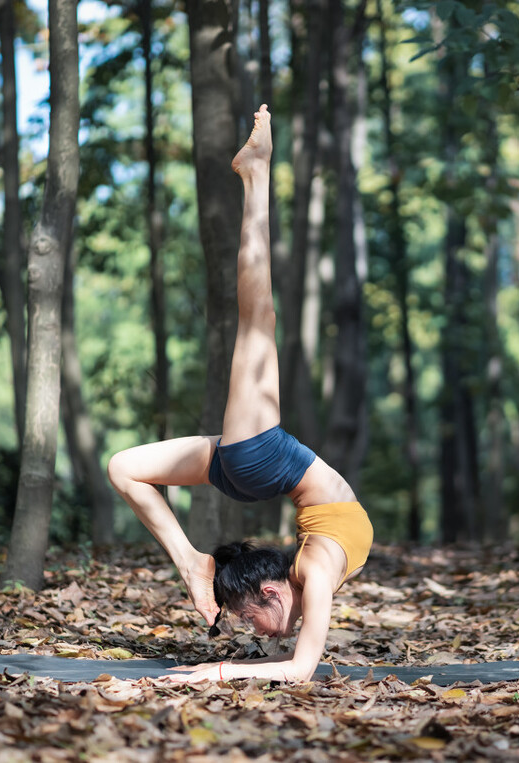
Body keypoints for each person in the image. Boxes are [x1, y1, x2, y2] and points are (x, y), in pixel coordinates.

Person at [107, 104, 373, 683]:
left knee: (256, 320)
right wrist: (217, 672)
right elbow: (299, 671)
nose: (254, 631)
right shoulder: (315, 575)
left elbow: (291, 666)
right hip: (261, 464)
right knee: (257, 317)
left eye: (246, 622)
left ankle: (191, 562)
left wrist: (217, 671)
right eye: (251, 621)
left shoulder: (306, 574)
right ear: (272, 591)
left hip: (261, 465)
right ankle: (257, 175)